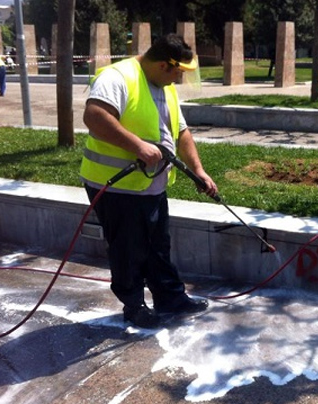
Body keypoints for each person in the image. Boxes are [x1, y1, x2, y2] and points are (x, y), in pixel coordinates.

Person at [80, 33, 218, 329]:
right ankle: (134, 306)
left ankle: (170, 297)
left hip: (150, 186)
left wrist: (199, 170)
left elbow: (181, 132)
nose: (179, 79)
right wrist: (137, 146)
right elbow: (94, 116)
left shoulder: (163, 86)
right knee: (129, 249)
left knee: (158, 245)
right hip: (115, 185)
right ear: (164, 65)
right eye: (178, 72)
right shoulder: (117, 77)